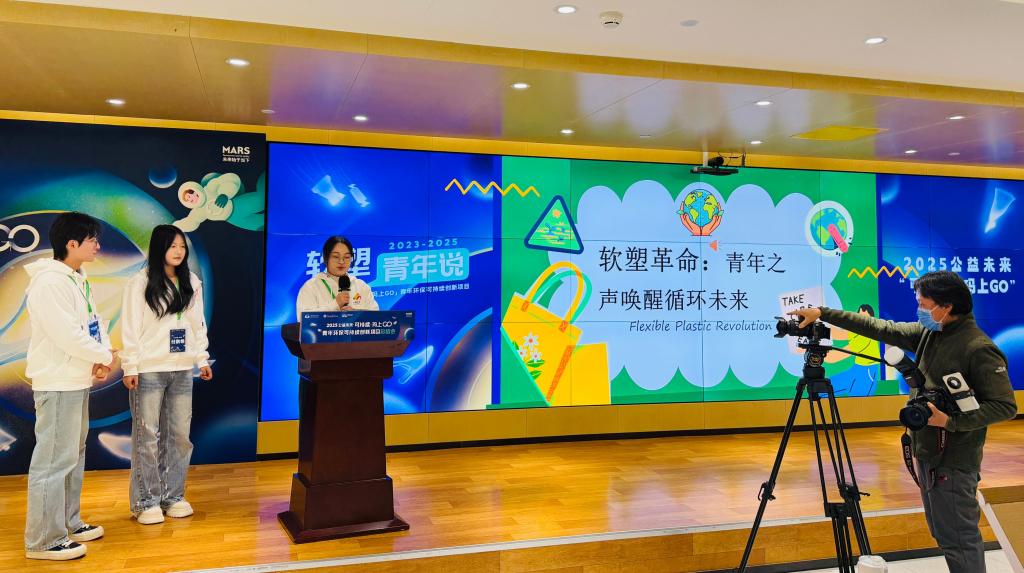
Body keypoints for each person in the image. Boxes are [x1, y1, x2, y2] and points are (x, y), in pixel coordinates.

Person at [789, 271, 1017, 573]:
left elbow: (1005, 406)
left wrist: (950, 421)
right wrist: (822, 312)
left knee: (959, 540)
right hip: (928, 453)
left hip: (954, 460)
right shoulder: (929, 333)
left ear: (946, 307)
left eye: (923, 304)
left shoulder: (978, 348)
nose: (919, 309)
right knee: (945, 534)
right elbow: (877, 327)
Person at [24, 212, 118, 561]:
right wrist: (103, 355)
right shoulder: (49, 282)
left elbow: (93, 322)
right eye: (92, 239)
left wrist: (101, 354)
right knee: (53, 461)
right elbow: (66, 334)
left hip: (76, 379)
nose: (98, 246)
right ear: (72, 243)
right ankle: (43, 540)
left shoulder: (77, 278)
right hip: (58, 381)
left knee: (71, 456)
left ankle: (67, 522)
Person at [120, 225, 212, 525]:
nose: (178, 251)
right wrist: (130, 365)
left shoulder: (192, 281)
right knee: (146, 436)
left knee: (180, 436)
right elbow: (130, 327)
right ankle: (146, 500)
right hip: (148, 369)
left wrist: (201, 358)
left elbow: (197, 324)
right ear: (159, 247)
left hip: (182, 369)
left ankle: (173, 496)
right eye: (172, 246)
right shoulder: (140, 282)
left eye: (182, 246)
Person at [295, 236, 378, 319]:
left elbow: (377, 317)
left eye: (346, 257)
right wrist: (335, 304)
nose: (341, 261)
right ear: (326, 258)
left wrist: (356, 314)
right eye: (336, 257)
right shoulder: (311, 287)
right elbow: (304, 319)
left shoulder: (361, 286)